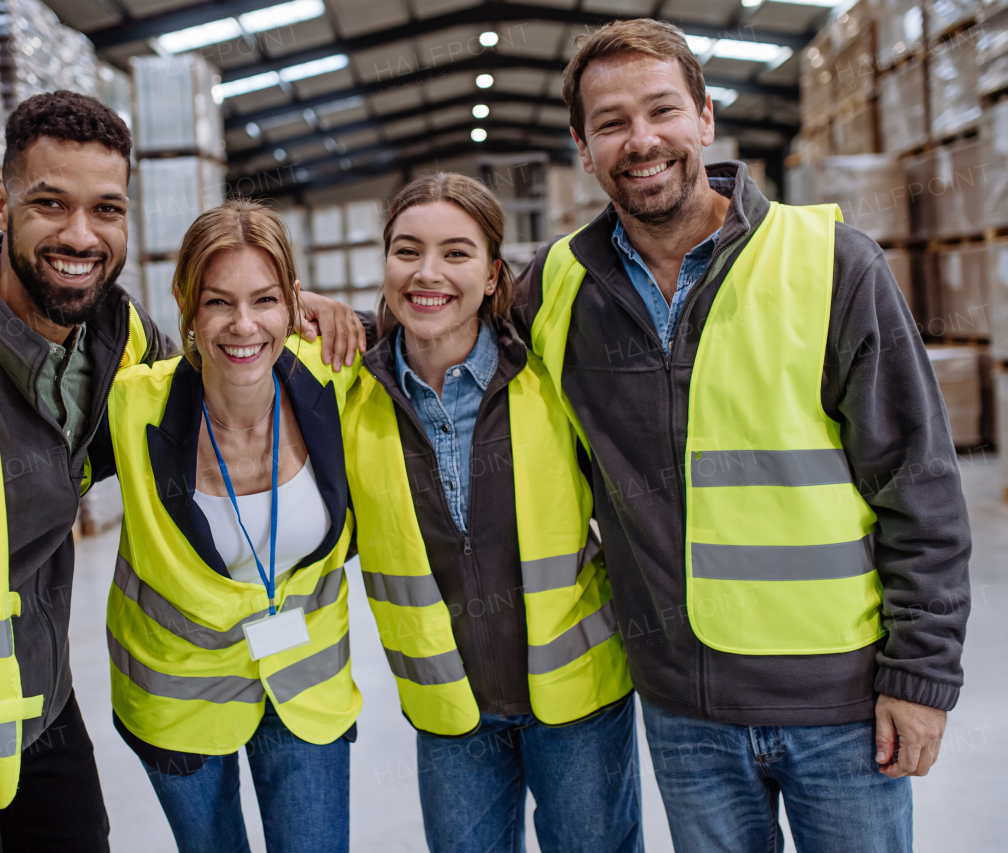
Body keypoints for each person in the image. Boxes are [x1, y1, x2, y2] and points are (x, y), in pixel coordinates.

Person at [0, 91, 363, 853]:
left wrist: (282, 302)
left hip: (43, 718)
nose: (80, 234)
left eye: (106, 209)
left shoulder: (116, 343)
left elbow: (212, 367)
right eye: (50, 203)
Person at [515, 19, 973, 853]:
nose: (641, 140)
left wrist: (922, 675)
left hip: (842, 704)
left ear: (705, 119)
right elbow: (442, 339)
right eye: (611, 123)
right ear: (583, 147)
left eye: (662, 111)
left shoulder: (832, 262)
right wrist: (324, 317)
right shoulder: (558, 285)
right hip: (685, 711)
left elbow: (921, 484)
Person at [341, 173, 640, 853]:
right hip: (451, 713)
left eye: (456, 252)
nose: (428, 273)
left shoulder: (548, 376)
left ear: (493, 272)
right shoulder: (353, 396)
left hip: (577, 703)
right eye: (406, 250)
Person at [86, 199, 362, 853]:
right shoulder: (131, 408)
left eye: (264, 299)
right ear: (185, 301)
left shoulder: (336, 379)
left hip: (306, 685)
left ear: (293, 303)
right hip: (179, 698)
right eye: (218, 302)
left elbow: (435, 324)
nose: (243, 325)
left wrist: (320, 307)